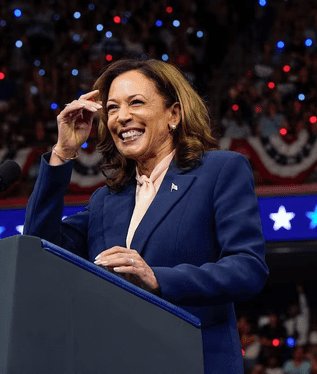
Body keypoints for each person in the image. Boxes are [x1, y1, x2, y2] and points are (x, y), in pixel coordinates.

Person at [23, 59, 269, 373]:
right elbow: (38, 248)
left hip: (195, 361)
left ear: (174, 114)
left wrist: (157, 279)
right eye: (112, 108)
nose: (122, 117)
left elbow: (248, 269)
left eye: (136, 103)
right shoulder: (105, 200)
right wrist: (63, 151)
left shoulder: (220, 171)